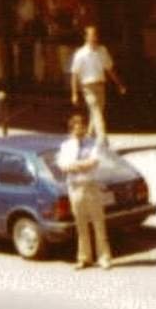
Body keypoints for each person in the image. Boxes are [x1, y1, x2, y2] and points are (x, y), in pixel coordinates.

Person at [56, 113, 111, 270]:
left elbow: (93, 162)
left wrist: (75, 165)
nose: (79, 131)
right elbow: (63, 166)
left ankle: (104, 258)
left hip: (90, 186)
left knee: (98, 223)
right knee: (81, 225)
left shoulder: (93, 144)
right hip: (75, 188)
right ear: (71, 130)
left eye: (82, 127)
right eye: (76, 128)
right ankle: (84, 258)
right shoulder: (66, 146)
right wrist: (80, 165)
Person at [70, 24, 126, 141]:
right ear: (86, 37)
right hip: (87, 87)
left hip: (100, 85)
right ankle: (102, 138)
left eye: (95, 35)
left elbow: (109, 69)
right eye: (91, 35)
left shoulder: (102, 50)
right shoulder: (80, 54)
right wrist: (74, 93)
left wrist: (119, 84)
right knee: (97, 112)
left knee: (96, 112)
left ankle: (89, 136)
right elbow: (74, 74)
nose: (94, 37)